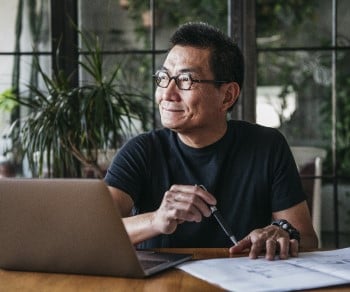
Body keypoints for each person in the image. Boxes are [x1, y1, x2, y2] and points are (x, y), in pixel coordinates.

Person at [104, 22, 318, 260]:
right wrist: (156, 220)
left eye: (185, 80)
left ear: (227, 96)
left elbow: (307, 239)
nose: (167, 93)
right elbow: (94, 231)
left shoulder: (267, 146)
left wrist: (281, 234)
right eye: (164, 77)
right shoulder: (140, 151)